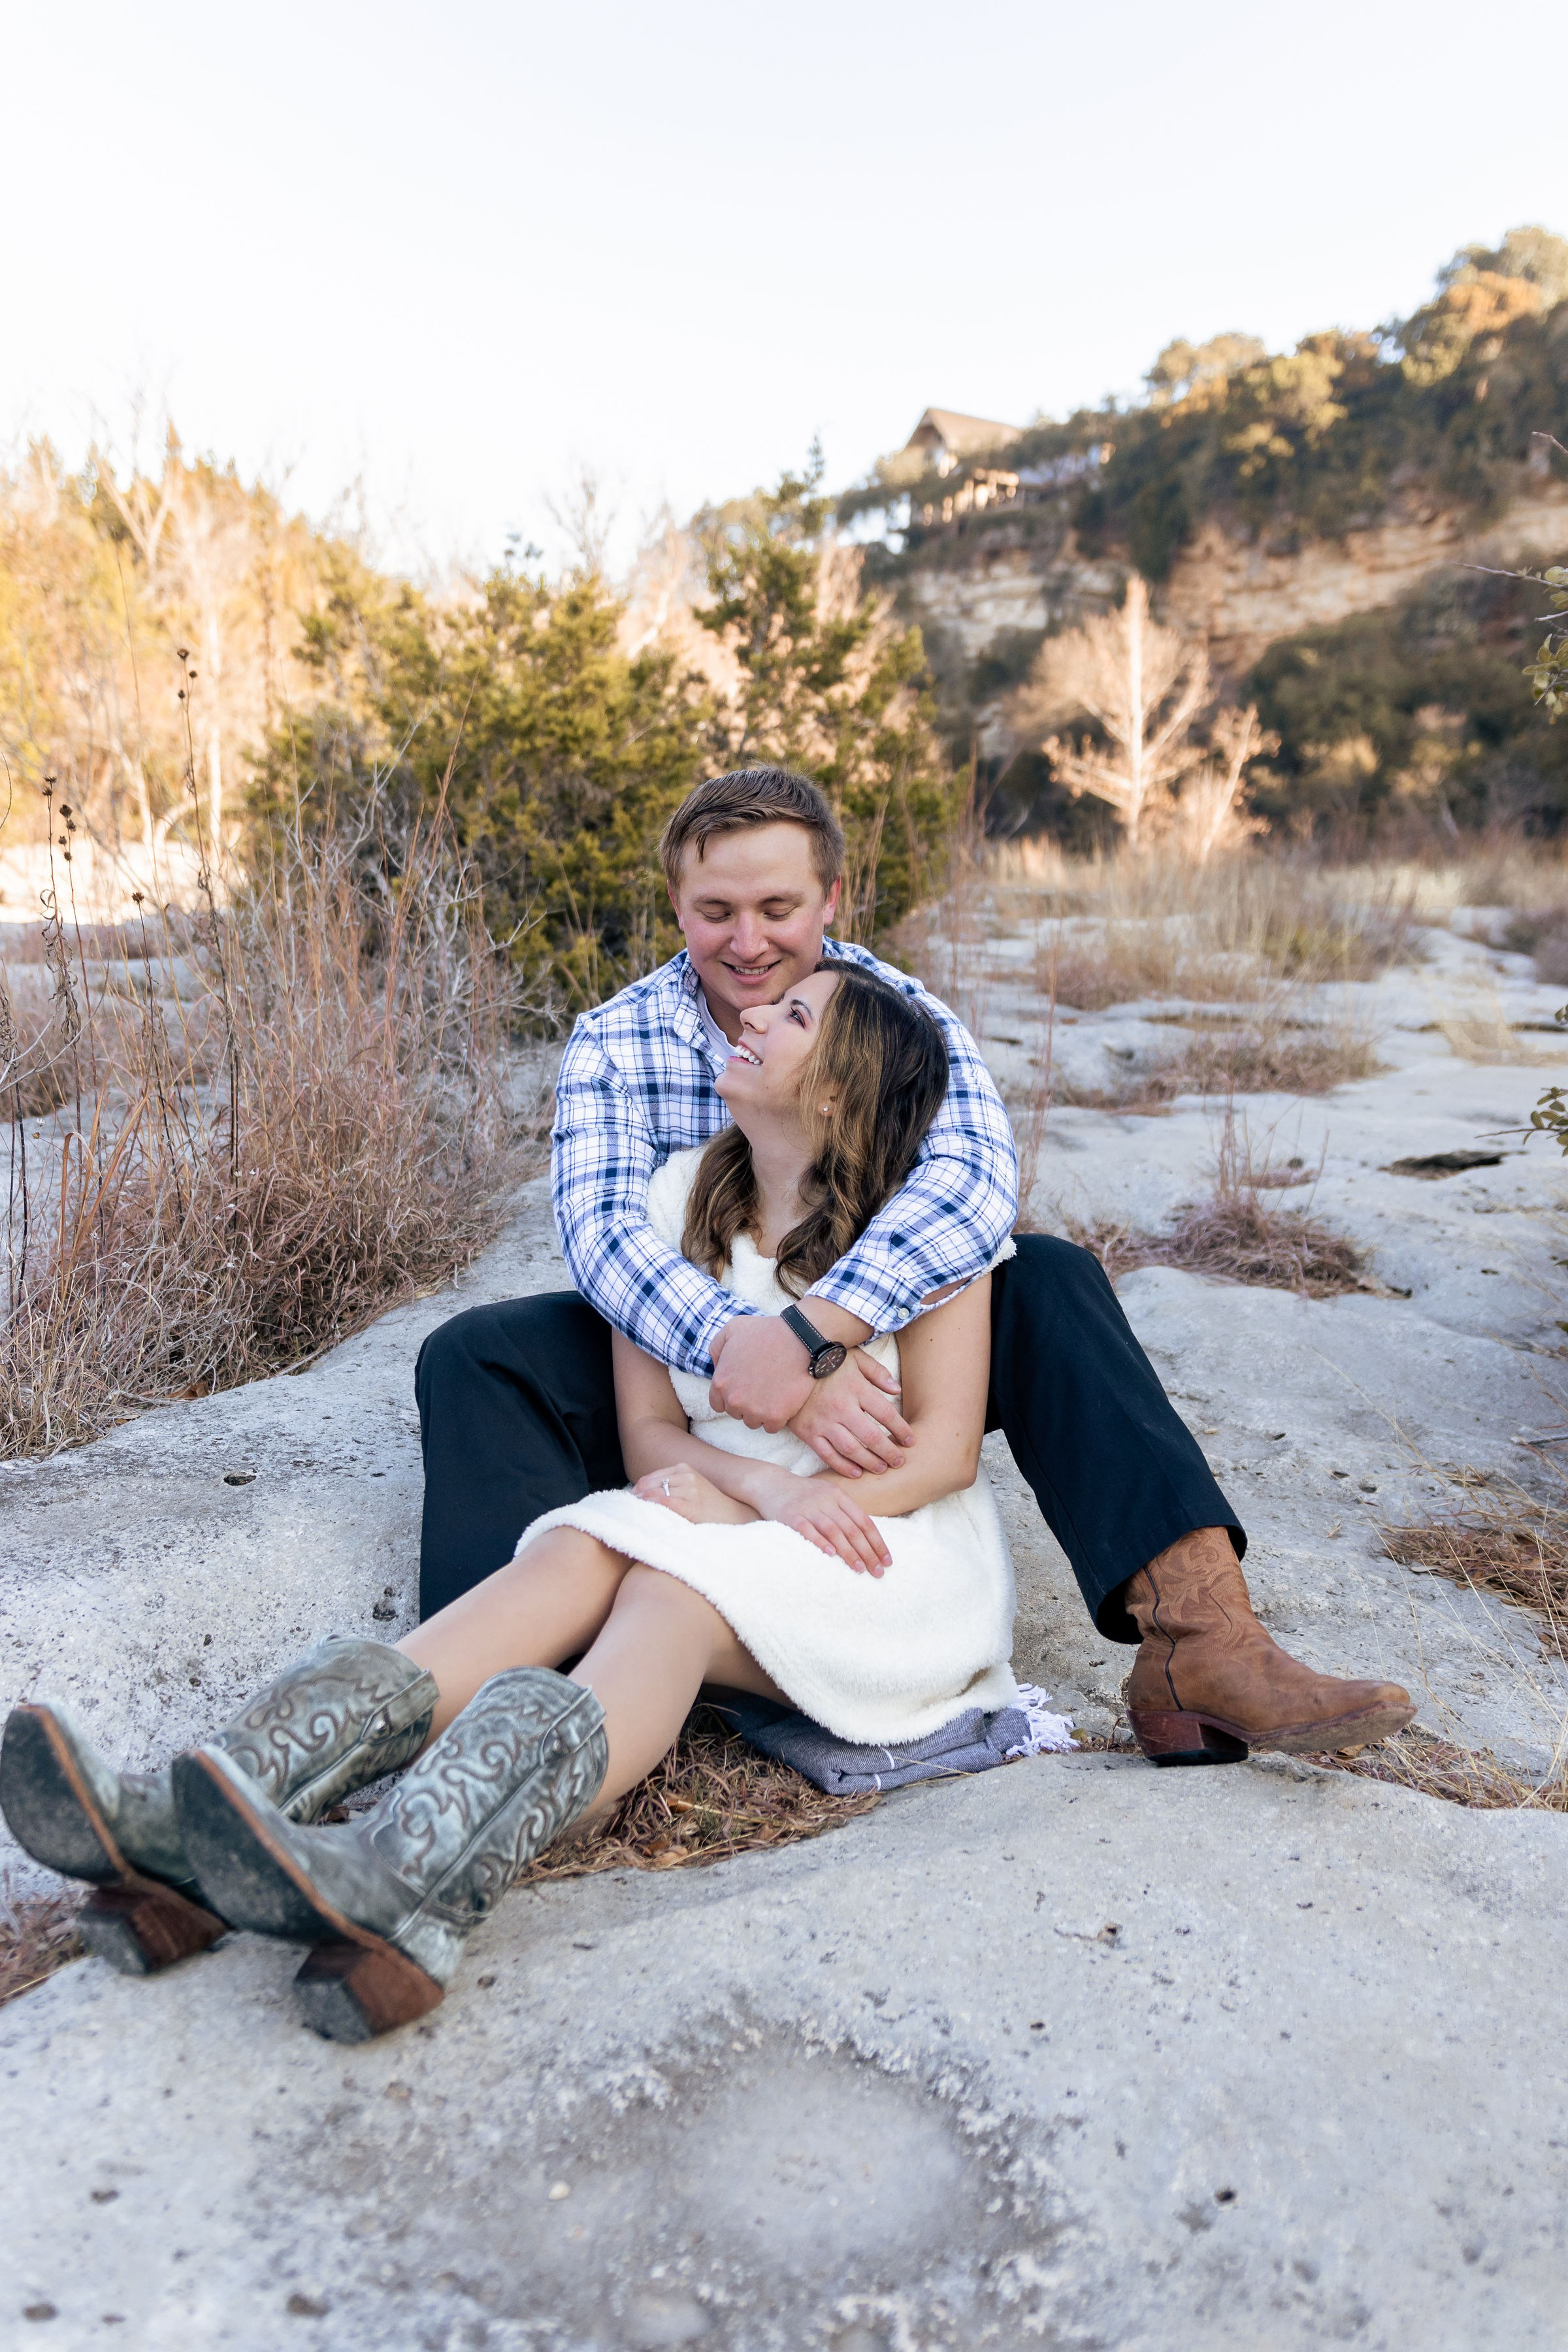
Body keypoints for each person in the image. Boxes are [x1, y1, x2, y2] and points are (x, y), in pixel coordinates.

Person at [1, 960, 1019, 2041]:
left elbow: (947, 1456)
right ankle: (206, 1818)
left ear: (833, 1091)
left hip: (882, 1545)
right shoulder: (673, 1208)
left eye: (794, 1014)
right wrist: (754, 1486)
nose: (754, 1013)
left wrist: (762, 1506)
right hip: (717, 1505)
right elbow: (649, 1438)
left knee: (665, 1600)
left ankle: (416, 1870)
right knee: (570, 1554)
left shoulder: (918, 1232)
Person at [417, 764, 1414, 1767]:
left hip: (889, 1361)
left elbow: (977, 1187)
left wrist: (817, 1335)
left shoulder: (893, 1016)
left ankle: (1200, 1645)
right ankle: (504, 1670)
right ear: (676, 902)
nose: (747, 942)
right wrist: (757, 1355)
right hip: (694, 1353)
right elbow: (605, 1238)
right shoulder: (615, 1041)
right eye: (715, 910)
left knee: (1054, 1277)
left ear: (831, 900)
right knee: (475, 1352)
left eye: (778, 907)